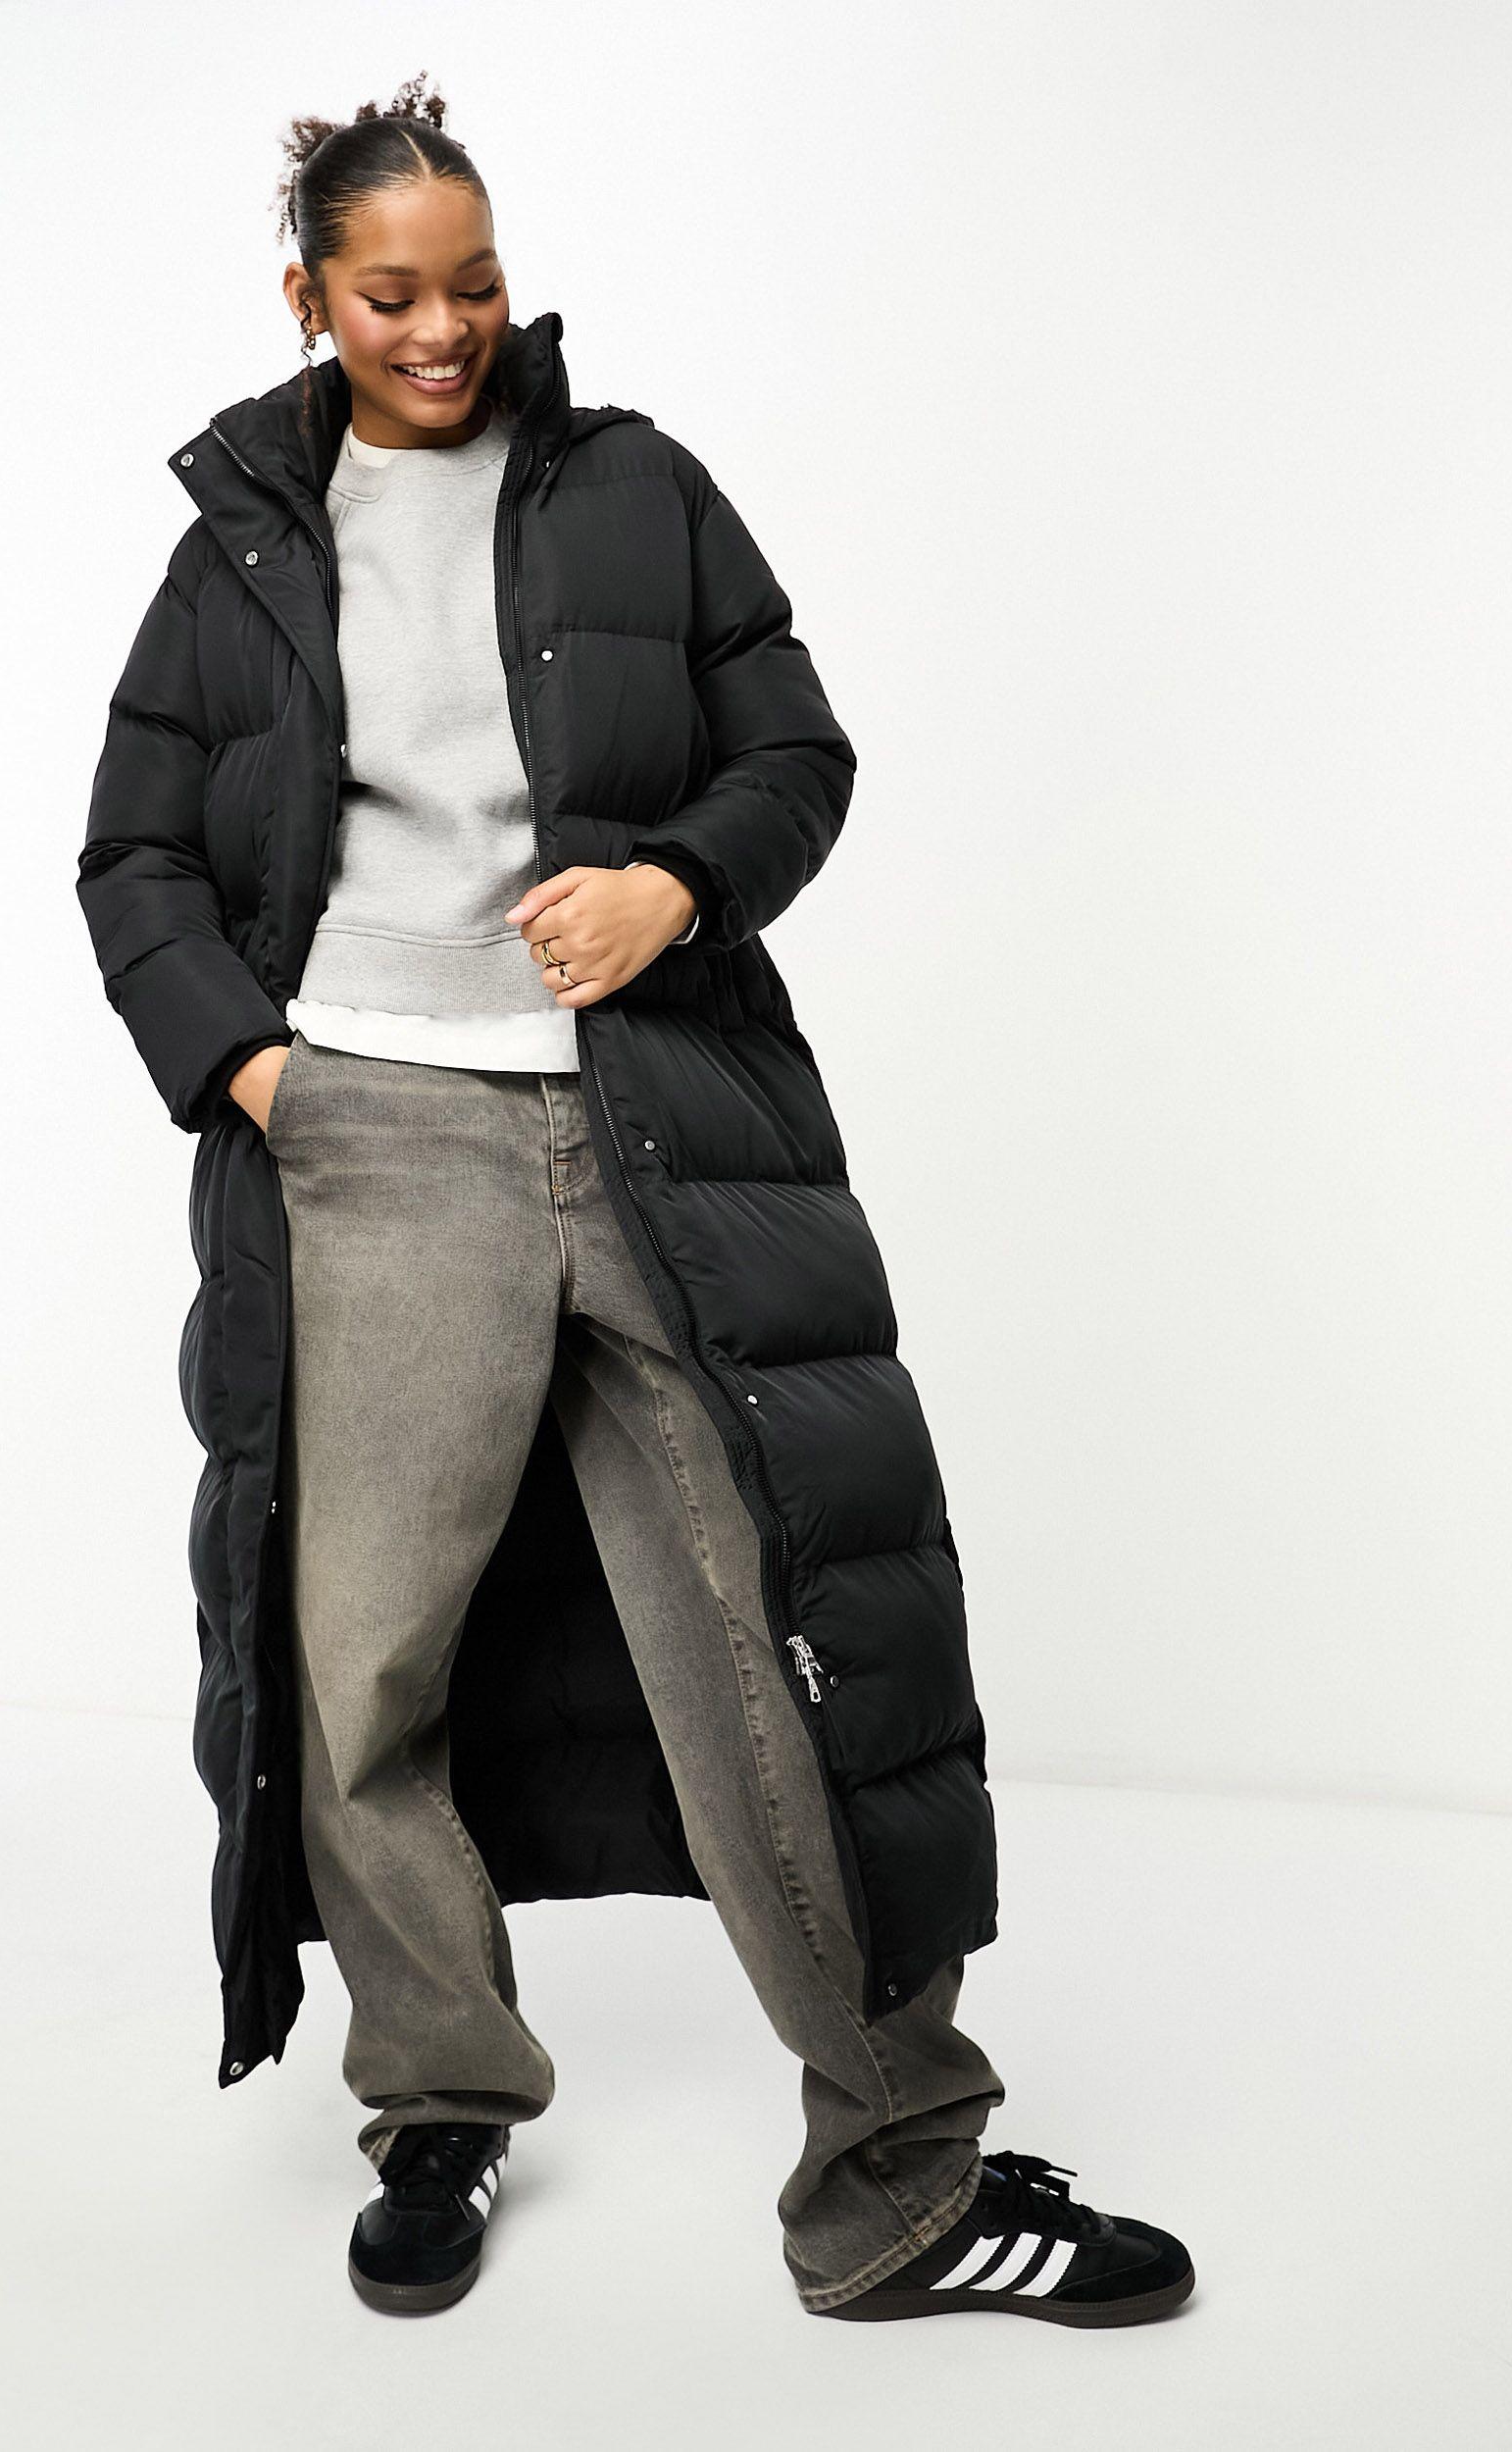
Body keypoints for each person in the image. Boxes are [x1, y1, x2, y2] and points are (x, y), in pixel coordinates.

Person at [76, 74, 1194, 2327]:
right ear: (306, 296)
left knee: (774, 1639)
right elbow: (136, 859)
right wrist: (271, 1073)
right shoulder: (239, 553)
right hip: (378, 1141)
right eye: (390, 294)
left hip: (656, 1120)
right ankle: (437, 2090)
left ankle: (894, 2173)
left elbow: (793, 755)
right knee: (362, 1658)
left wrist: (673, 886)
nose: (441, 328)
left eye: (474, 282)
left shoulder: (631, 489)